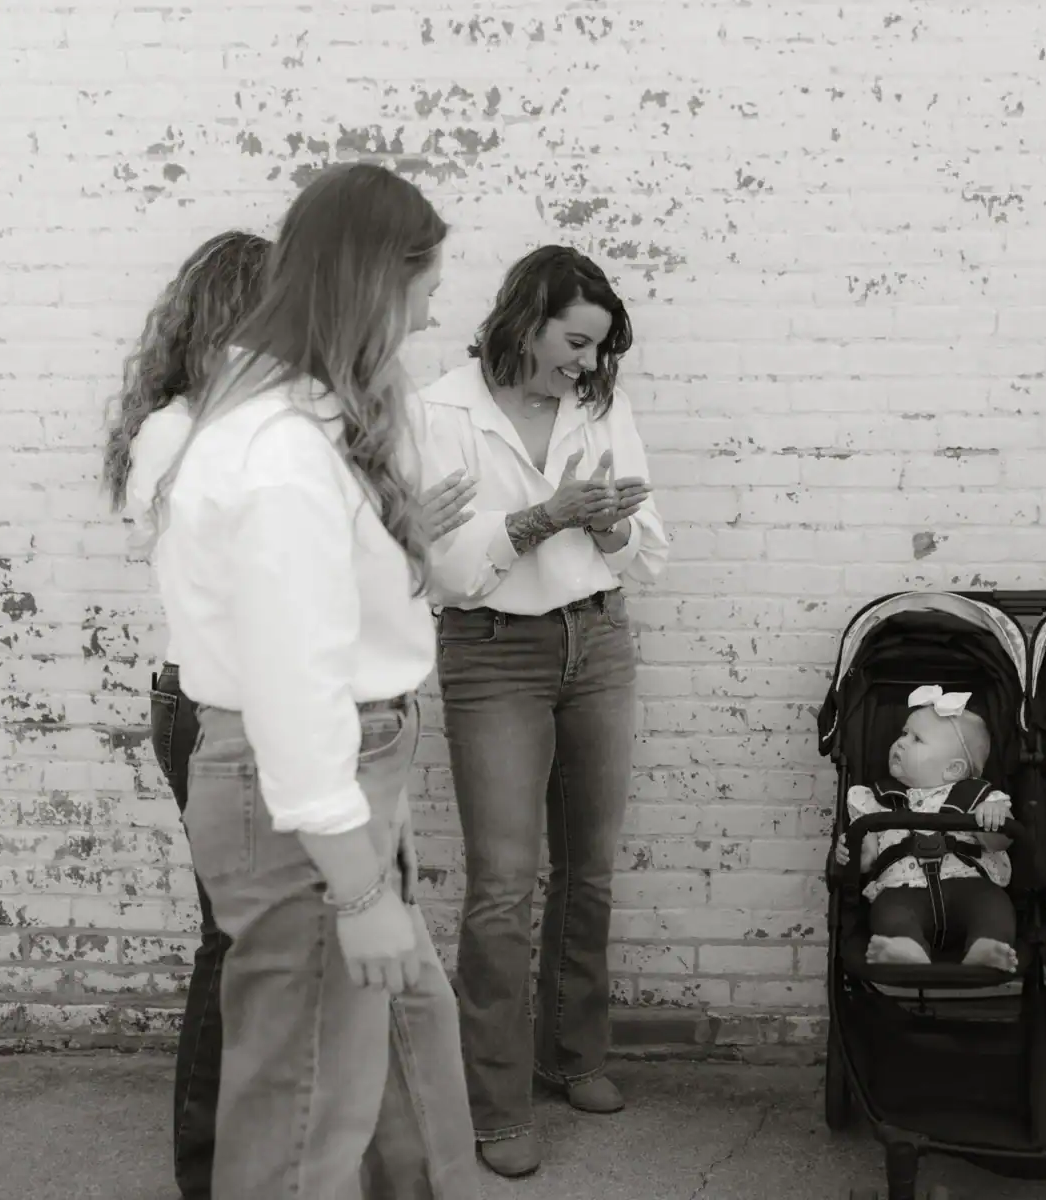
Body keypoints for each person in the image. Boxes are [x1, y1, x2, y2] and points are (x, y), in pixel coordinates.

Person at [148, 161, 475, 1197]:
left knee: (390, 1054)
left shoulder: (296, 425)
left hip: (335, 776)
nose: (433, 309)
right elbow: (293, 690)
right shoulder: (281, 453)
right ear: (377, 279)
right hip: (309, 790)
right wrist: (361, 884)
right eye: (425, 284)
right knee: (304, 1111)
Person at [415, 244, 669, 1178]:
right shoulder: (437, 411)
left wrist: (610, 525)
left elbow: (647, 550)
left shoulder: (601, 406)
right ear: (526, 315)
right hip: (493, 655)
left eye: (600, 349)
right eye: (576, 341)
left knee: (589, 871)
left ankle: (576, 1053)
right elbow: (439, 569)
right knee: (501, 888)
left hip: (597, 641)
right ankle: (495, 1105)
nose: (588, 365)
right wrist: (543, 518)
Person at [103, 228, 269, 1200]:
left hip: (246, 701)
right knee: (235, 941)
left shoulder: (240, 424)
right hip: (210, 707)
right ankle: (206, 1171)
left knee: (265, 941)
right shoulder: (179, 430)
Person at [833, 687, 1017, 971]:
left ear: (953, 770)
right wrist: (850, 852)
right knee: (889, 911)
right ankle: (905, 948)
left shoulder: (980, 798)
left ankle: (987, 946)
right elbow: (866, 858)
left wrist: (994, 819)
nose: (901, 743)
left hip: (969, 887)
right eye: (903, 734)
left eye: (916, 739)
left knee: (993, 905)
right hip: (904, 892)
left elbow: (999, 843)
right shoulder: (875, 800)